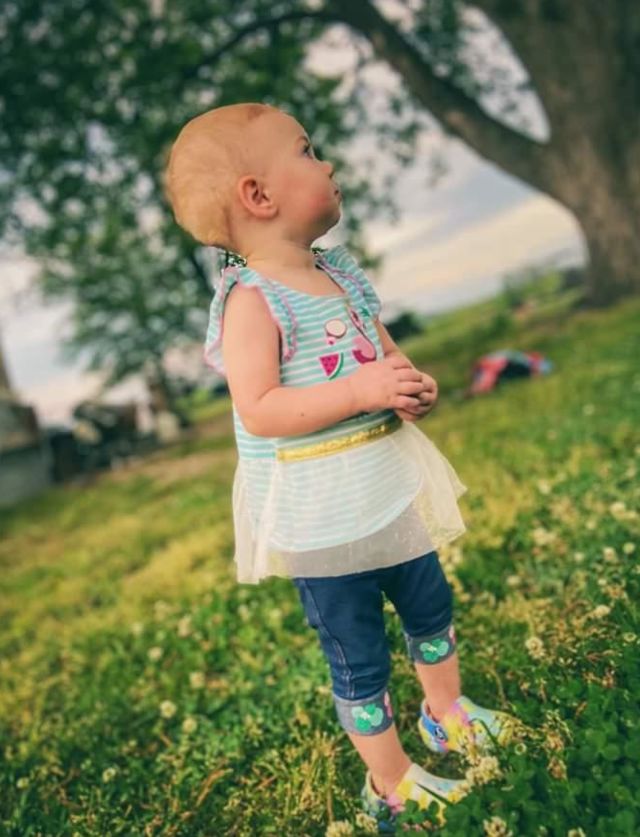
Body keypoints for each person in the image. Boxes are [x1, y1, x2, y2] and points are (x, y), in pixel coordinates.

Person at [164, 102, 516, 831]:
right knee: (358, 653)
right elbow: (260, 407)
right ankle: (390, 781)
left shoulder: (340, 275)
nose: (326, 163)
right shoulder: (252, 302)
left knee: (430, 606)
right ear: (258, 195)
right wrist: (359, 391)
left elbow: (385, 355)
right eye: (307, 150)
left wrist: (410, 383)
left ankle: (446, 712)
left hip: (385, 489)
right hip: (322, 520)